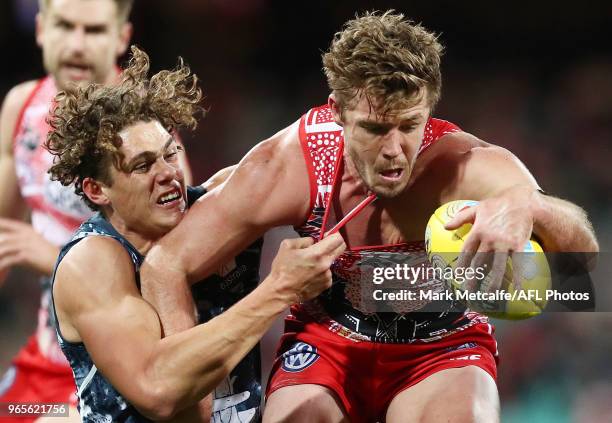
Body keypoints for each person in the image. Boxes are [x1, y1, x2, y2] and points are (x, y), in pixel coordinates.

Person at [140, 10, 599, 423]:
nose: (394, 151)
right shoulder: (293, 163)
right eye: (376, 129)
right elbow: (167, 263)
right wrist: (193, 412)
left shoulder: (466, 165)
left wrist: (529, 204)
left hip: (440, 347)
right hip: (325, 344)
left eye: (409, 125)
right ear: (337, 111)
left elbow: (580, 267)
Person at [45, 45, 345, 422]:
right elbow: (159, 391)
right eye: (143, 166)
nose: (168, 173)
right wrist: (278, 290)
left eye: (170, 155)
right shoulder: (93, 263)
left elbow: (313, 157)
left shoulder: (225, 207)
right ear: (96, 190)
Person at [0, 1, 141, 420]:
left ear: (121, 38)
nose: (77, 45)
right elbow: (4, 235)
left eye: (94, 30)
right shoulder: (22, 107)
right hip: (46, 361)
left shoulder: (142, 125)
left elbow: (172, 268)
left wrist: (50, 257)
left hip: (118, 370)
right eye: (64, 25)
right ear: (42, 29)